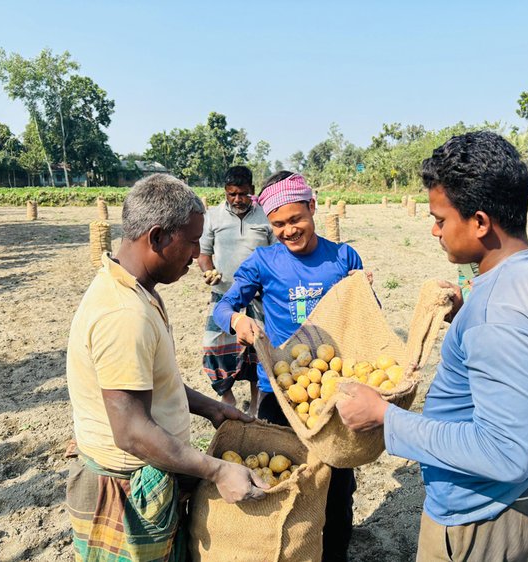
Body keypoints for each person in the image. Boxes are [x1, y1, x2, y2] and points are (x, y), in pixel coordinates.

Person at [336, 131, 528, 562]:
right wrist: (467, 309)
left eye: (440, 218)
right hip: (525, 495)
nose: (434, 229)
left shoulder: (498, 315)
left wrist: (384, 417)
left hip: (480, 518)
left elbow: (502, 453)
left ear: (480, 222)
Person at [65, 174, 267, 561]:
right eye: (192, 241)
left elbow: (149, 384)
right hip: (124, 493)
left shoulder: (137, 290)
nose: (197, 254)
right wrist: (217, 471)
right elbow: (133, 432)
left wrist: (210, 407)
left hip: (148, 475)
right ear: (157, 237)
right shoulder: (124, 313)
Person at [212, 171, 367, 562]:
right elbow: (222, 306)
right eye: (278, 224)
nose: (288, 230)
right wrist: (237, 321)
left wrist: (363, 289)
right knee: (282, 482)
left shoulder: (343, 257)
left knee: (336, 486)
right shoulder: (264, 261)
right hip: (281, 393)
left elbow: (365, 315)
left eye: (296, 219)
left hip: (331, 394)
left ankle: (333, 553)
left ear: (313, 208)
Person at [198, 165, 275, 415]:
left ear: (252, 190)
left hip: (258, 296)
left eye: (242, 194)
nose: (237, 199)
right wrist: (208, 271)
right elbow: (204, 254)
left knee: (257, 349)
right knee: (214, 346)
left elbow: (276, 254)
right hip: (224, 295)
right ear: (225, 192)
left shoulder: (266, 217)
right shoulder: (213, 216)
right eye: (232, 194)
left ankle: (254, 403)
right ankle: (227, 397)